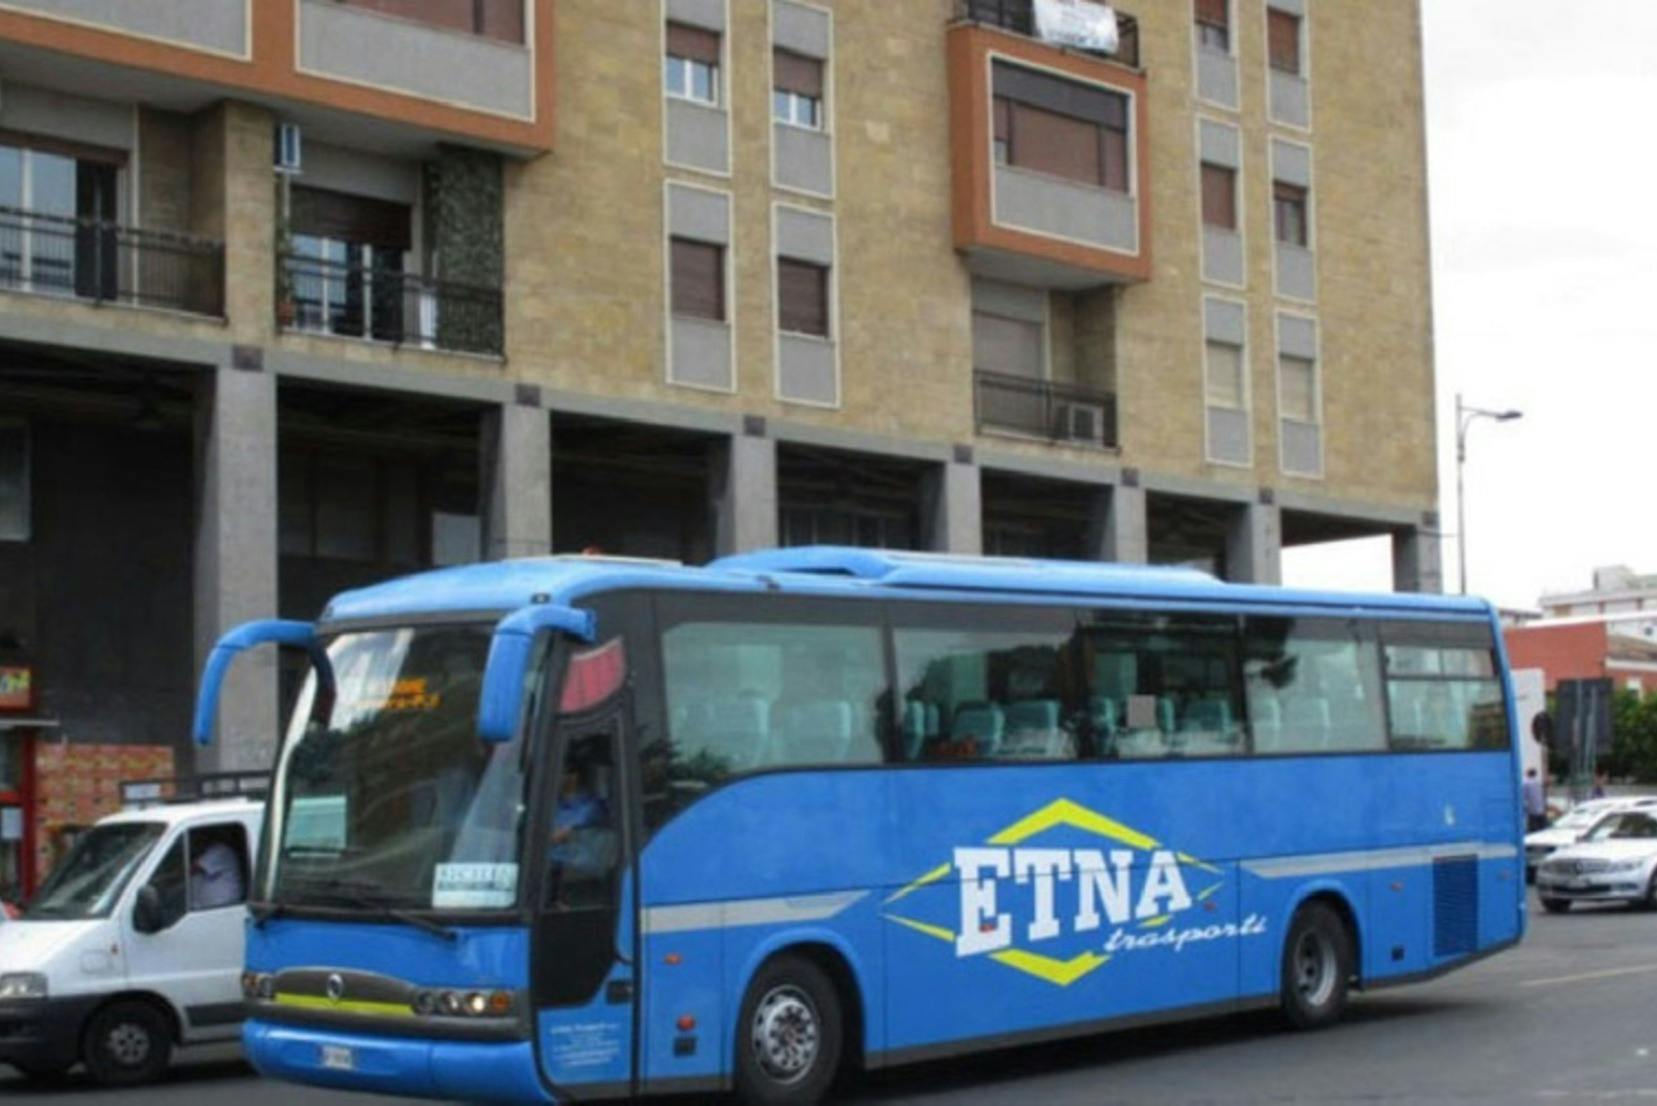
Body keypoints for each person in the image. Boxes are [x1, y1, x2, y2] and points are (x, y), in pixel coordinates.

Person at [189, 840, 245, 911]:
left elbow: (193, 869)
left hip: (223, 906)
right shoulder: (212, 851)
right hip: (206, 907)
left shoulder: (220, 850)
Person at [1522, 768, 1547, 833]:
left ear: (1528, 774)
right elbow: (1543, 794)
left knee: (1533, 827)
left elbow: (1524, 795)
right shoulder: (1539, 782)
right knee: (1542, 826)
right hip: (1541, 808)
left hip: (1532, 808)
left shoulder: (1526, 783)